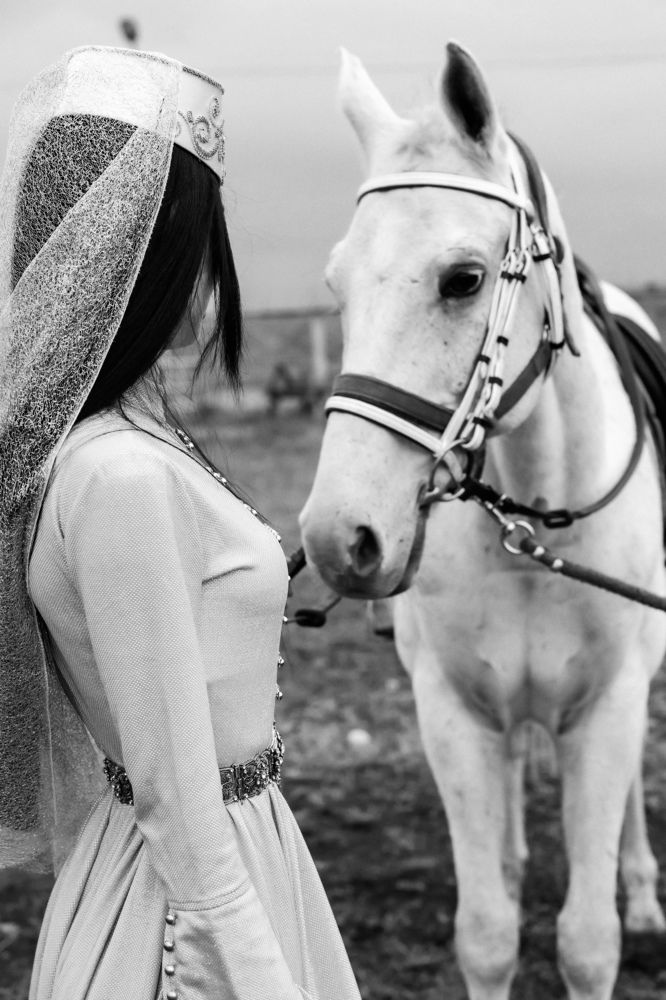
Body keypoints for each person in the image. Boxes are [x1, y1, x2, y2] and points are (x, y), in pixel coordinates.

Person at [0, 45, 362, 1000]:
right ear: (149, 255)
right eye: (205, 239)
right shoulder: (121, 474)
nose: (215, 270)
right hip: (189, 898)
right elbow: (174, 791)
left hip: (209, 854)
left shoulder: (123, 443)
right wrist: (254, 975)